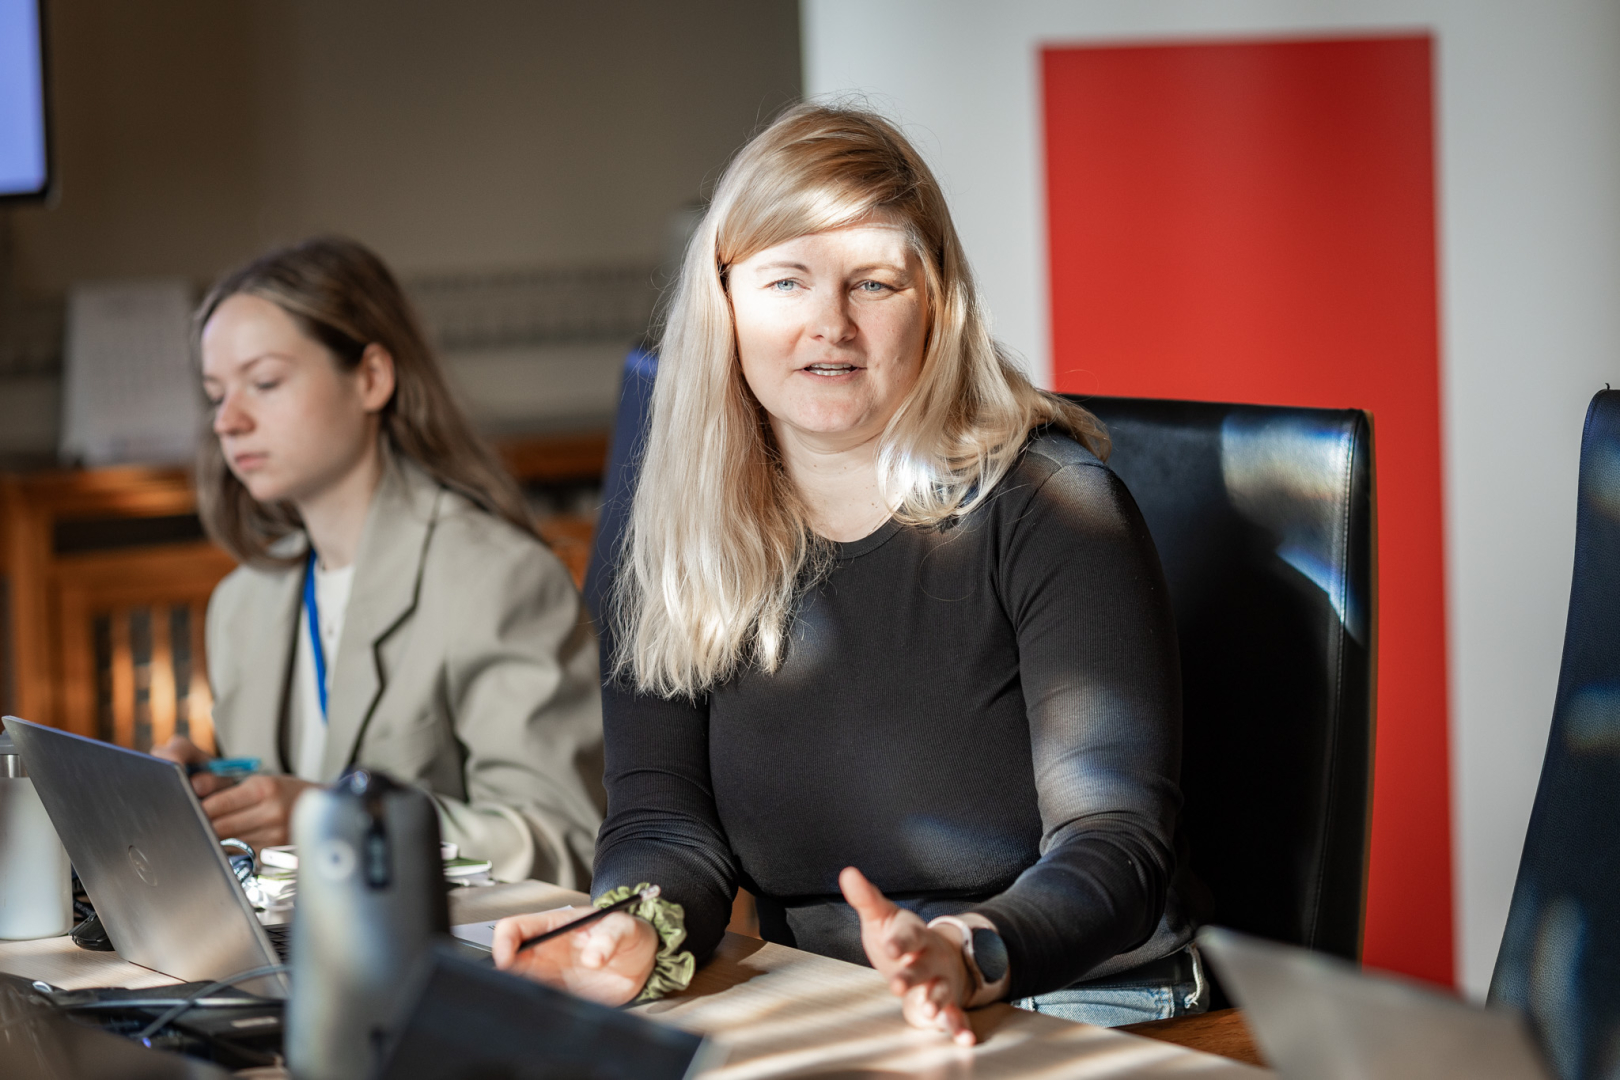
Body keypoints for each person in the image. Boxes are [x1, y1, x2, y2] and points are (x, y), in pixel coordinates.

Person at [492, 104, 1201, 1035]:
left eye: (873, 284)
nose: (830, 324)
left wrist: (968, 949)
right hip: (838, 995)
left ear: (935, 306)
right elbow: (663, 823)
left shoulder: (1054, 507)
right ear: (724, 304)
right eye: (787, 280)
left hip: (1063, 989)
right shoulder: (673, 526)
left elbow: (1114, 843)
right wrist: (634, 930)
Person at [154, 237, 604, 888]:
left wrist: (335, 819)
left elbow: (564, 845)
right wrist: (217, 797)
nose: (229, 421)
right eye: (216, 394)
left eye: (265, 382)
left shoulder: (499, 579)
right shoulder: (240, 604)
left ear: (371, 378)